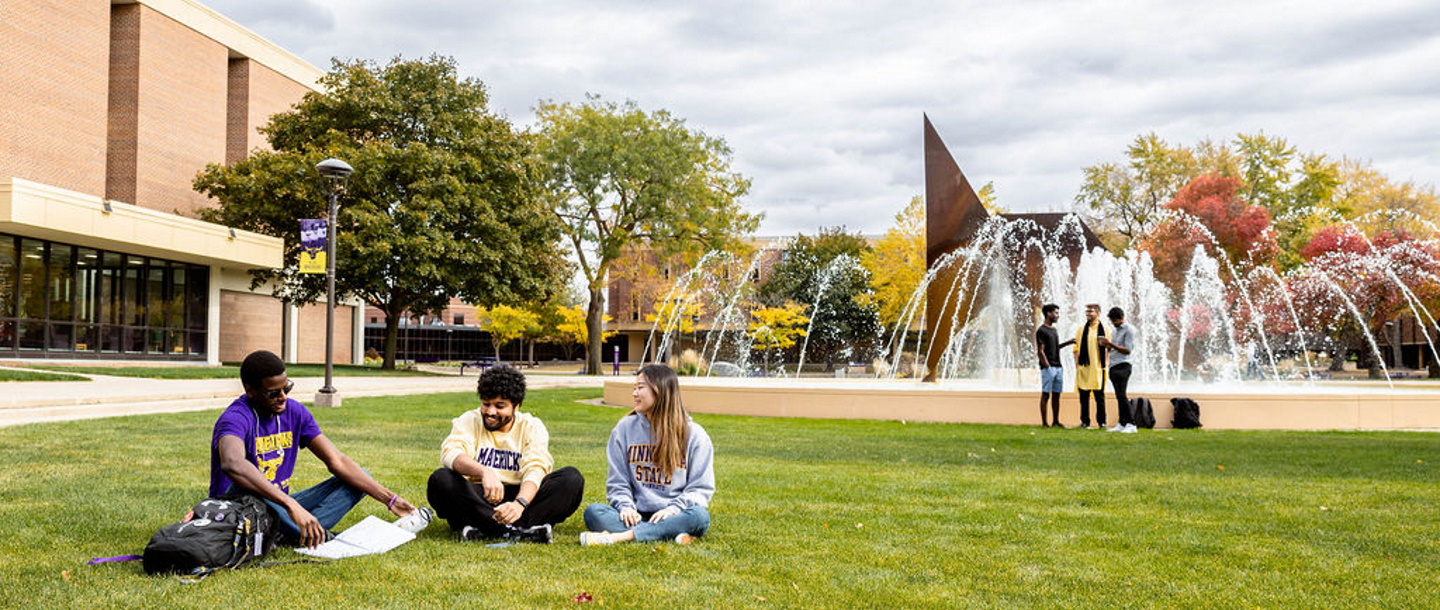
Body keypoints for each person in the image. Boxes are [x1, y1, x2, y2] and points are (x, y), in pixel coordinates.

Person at [210, 350, 423, 548]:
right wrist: (291, 505)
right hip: (239, 511)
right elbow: (233, 464)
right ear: (251, 391)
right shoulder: (235, 418)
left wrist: (390, 499)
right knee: (249, 486)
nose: (283, 397)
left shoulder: (294, 412)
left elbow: (336, 461)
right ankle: (320, 536)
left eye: (287, 388)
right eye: (273, 393)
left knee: (359, 478)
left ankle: (292, 533)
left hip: (279, 507)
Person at [427, 365, 584, 544]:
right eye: (486, 404)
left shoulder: (531, 426)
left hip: (521, 497)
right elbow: (451, 453)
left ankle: (486, 529)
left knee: (571, 479)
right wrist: (485, 472)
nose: (490, 412)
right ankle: (522, 531)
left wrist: (519, 504)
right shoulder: (470, 420)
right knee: (440, 480)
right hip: (479, 497)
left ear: (516, 406)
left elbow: (536, 468)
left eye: (500, 406)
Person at [580, 363, 714, 546]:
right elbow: (618, 482)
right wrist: (626, 507)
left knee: (699, 517)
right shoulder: (624, 429)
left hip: (675, 513)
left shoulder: (694, 435)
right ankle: (668, 533)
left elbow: (700, 489)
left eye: (640, 387)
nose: (634, 393)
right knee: (594, 512)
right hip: (636, 514)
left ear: (660, 390)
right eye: (634, 388)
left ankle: (621, 536)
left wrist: (674, 509)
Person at [1100, 307, 1137, 433]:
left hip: (1123, 365)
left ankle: (1131, 424)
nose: (1113, 323)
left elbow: (1127, 350)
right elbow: (1114, 347)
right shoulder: (1115, 331)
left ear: (1121, 318)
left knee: (1122, 395)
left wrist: (1110, 344)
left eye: (1114, 321)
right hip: (1113, 365)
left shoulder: (1129, 330)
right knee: (1118, 396)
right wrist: (1107, 346)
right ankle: (1122, 423)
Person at [1035, 303, 1073, 427]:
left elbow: (1054, 347)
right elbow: (1040, 351)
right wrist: (1047, 366)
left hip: (1058, 367)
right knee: (1046, 394)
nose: (1058, 315)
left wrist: (1068, 343)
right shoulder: (1041, 330)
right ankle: (1045, 423)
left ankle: (1055, 421)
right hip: (1049, 368)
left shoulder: (1053, 330)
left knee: (1056, 395)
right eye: (1056, 313)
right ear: (1048, 314)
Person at [1071, 303, 1108, 429]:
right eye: (1087, 312)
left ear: (1098, 313)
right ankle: (1085, 422)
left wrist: (1105, 364)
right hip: (1084, 368)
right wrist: (1077, 364)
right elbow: (1076, 348)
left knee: (1100, 397)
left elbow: (1108, 349)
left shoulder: (1104, 329)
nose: (1088, 314)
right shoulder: (1081, 329)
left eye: (1091, 312)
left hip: (1098, 368)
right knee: (1084, 398)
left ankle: (1102, 422)